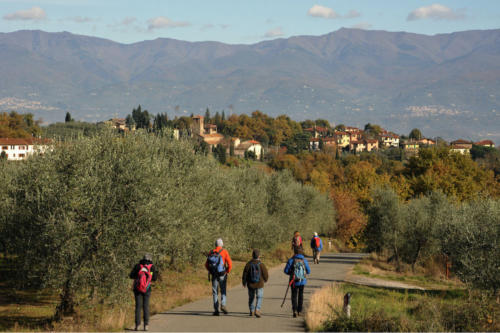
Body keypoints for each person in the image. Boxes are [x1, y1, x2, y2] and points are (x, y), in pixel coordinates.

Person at [130, 253, 158, 331]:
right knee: (146, 306)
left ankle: (137, 325)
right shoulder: (152, 267)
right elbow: (155, 278)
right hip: (147, 289)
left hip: (137, 289)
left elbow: (131, 275)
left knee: (138, 307)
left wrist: (137, 276)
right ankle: (146, 325)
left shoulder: (138, 266)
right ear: (150, 259)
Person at [205, 238, 232, 316]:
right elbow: (230, 264)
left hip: (214, 275)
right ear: (222, 244)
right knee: (223, 290)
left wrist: (211, 271)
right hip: (222, 274)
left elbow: (206, 265)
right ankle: (223, 305)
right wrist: (227, 271)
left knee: (215, 292)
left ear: (215, 245)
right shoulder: (224, 252)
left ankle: (216, 310)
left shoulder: (211, 252)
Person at [284, 247, 311, 318]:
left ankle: (294, 310)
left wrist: (291, 273)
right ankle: (299, 310)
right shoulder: (304, 261)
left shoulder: (291, 260)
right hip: (302, 281)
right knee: (301, 295)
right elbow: (308, 271)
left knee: (294, 296)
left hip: (293, 281)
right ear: (302, 252)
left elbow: (285, 271)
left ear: (294, 252)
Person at [242, 249, 269, 318]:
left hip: (250, 284)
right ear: (259, 256)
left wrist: (244, 282)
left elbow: (245, 274)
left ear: (252, 255)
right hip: (259, 284)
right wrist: (265, 280)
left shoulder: (248, 264)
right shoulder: (261, 264)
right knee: (259, 297)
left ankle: (252, 310)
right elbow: (265, 274)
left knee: (251, 298)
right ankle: (257, 309)